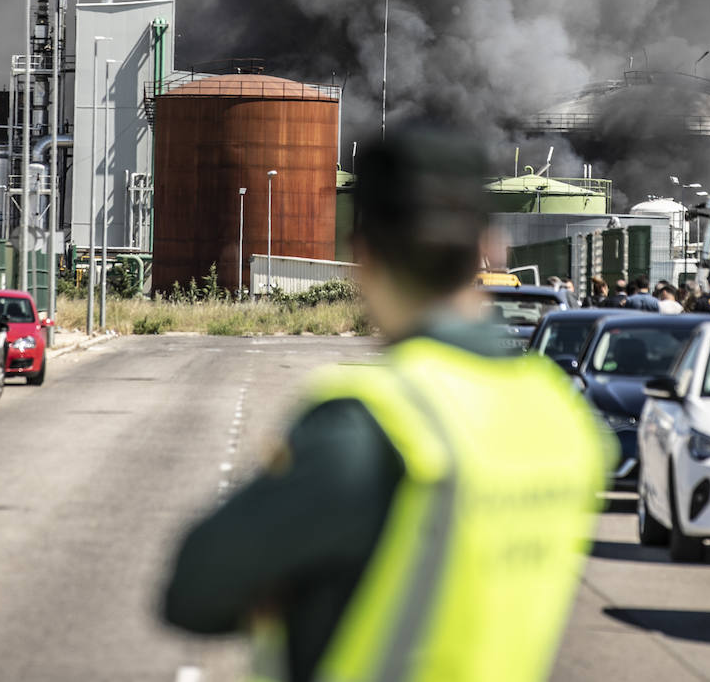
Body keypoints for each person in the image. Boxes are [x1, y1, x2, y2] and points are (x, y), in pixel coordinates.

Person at [161, 126, 612, 682]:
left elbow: (194, 590)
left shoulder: (375, 421)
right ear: (491, 247)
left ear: (363, 254)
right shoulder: (564, 420)